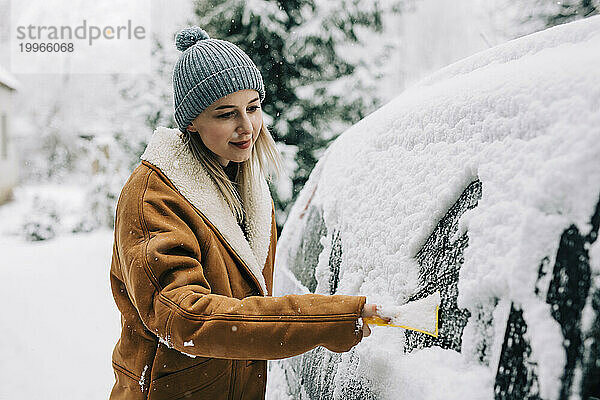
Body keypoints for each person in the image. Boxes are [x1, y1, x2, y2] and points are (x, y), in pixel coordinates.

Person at [109, 26, 387, 400]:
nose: (247, 127)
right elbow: (186, 319)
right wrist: (324, 319)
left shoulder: (248, 189)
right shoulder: (152, 199)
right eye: (226, 114)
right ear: (192, 121)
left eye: (253, 107)